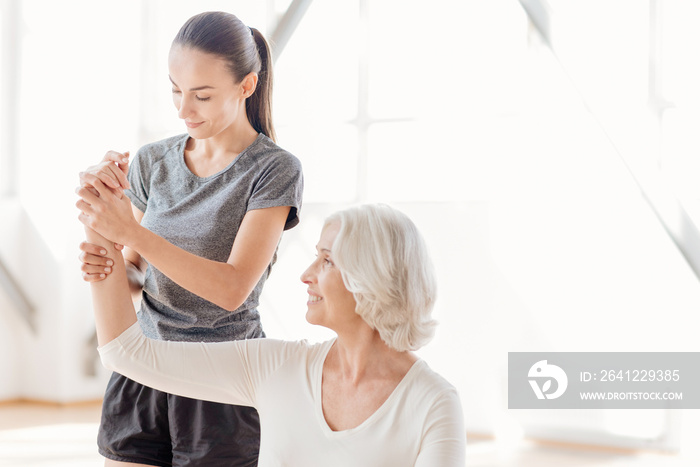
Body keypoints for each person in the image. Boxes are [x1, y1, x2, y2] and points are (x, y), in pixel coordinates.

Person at [76, 199, 466, 466]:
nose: (307, 274)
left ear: (372, 278)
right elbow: (127, 354)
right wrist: (101, 230)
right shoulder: (275, 366)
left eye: (327, 260)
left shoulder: (432, 402)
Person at [76, 11, 303, 467]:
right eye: (176, 91)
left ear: (246, 86)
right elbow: (138, 269)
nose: (183, 110)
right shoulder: (152, 162)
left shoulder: (272, 170)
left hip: (222, 378)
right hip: (143, 366)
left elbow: (231, 289)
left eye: (201, 95)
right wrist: (108, 256)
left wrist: (131, 232)